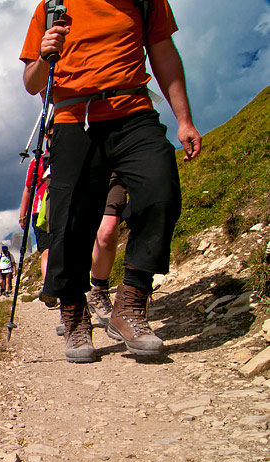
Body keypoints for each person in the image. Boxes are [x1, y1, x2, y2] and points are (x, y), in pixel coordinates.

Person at [19, 0, 201, 362]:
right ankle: (73, 313)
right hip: (73, 119)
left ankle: (130, 303)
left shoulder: (145, 1)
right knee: (69, 222)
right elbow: (31, 83)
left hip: (134, 111)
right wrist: (43, 57)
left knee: (160, 191)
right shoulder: (52, 7)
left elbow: (163, 53)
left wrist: (184, 119)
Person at [18, 130, 57, 307]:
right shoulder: (65, 156)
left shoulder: (37, 161)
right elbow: (28, 189)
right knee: (50, 250)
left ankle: (48, 288)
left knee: (46, 250)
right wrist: (23, 214)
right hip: (48, 209)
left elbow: (28, 189)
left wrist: (23, 214)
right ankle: (51, 287)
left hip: (40, 210)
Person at [87, 173, 128, 326]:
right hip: (76, 165)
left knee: (108, 230)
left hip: (115, 166)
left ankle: (99, 290)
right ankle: (72, 306)